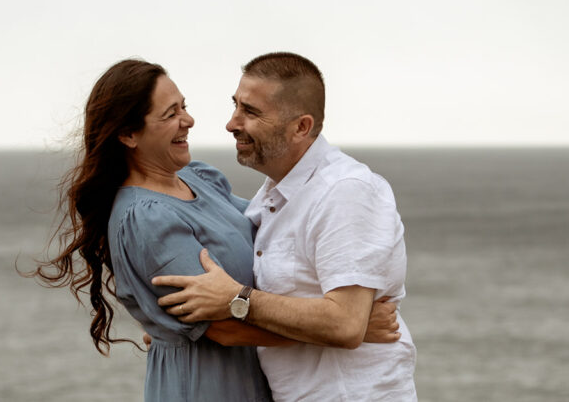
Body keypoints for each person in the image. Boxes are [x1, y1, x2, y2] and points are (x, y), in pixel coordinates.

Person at [22, 58, 399, 401]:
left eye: (184, 106)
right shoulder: (146, 217)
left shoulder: (198, 179)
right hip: (208, 384)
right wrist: (353, 329)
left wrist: (342, 314)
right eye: (170, 114)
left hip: (257, 378)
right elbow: (222, 329)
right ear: (128, 135)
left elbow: (274, 227)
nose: (188, 120)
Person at [153, 52, 417, 401]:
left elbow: (344, 324)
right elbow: (350, 325)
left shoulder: (345, 192)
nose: (232, 123)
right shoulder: (273, 199)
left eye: (251, 112)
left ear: (301, 127)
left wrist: (236, 299)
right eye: (235, 106)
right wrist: (169, 328)